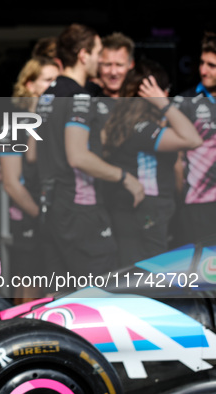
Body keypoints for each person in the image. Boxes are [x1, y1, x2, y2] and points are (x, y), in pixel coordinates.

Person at [35, 23, 144, 282]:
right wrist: (125, 178)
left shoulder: (47, 95)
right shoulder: (79, 96)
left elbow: (32, 154)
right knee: (101, 290)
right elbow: (78, 156)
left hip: (51, 208)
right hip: (81, 209)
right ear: (83, 55)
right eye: (97, 53)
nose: (100, 59)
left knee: (61, 295)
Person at [102, 59, 202, 267]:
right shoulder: (144, 129)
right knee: (149, 277)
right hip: (146, 209)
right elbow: (193, 139)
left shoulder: (121, 123)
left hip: (133, 209)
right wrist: (163, 105)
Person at [1, 56, 60, 303]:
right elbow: (12, 183)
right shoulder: (14, 123)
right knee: (29, 284)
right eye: (48, 80)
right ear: (29, 84)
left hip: (55, 216)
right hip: (29, 218)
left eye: (58, 81)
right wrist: (40, 215)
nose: (54, 87)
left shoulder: (54, 119)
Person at [173, 31, 216, 245]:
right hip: (198, 204)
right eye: (202, 63)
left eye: (211, 65)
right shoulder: (185, 102)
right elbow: (176, 159)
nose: (203, 70)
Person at [95, 32, 136, 98]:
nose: (113, 72)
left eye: (119, 65)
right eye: (107, 65)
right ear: (98, 65)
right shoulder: (87, 97)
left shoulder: (142, 101)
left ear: (131, 64)